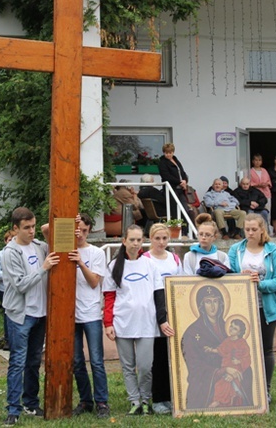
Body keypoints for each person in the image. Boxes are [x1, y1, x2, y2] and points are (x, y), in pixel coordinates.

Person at [103, 224, 174, 415]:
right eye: (131, 240)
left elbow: (159, 295)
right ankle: (134, 401)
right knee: (128, 366)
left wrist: (162, 320)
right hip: (123, 323)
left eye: (139, 240)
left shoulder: (150, 264)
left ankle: (145, 399)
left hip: (146, 324)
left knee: (145, 366)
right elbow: (109, 297)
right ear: (124, 241)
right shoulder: (114, 266)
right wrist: (108, 323)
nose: (135, 244)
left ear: (143, 241)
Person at [1, 207, 59, 426]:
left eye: (33, 226)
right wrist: (43, 268)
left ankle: (31, 403)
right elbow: (20, 285)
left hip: (40, 313)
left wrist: (47, 229)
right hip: (20, 315)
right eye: (26, 228)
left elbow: (50, 235)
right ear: (15, 229)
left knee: (34, 361)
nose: (31, 231)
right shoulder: (10, 252)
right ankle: (13, 409)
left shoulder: (40, 246)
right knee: (17, 362)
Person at [228, 213, 276, 401]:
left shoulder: (273, 250)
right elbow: (228, 276)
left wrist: (259, 283)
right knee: (242, 349)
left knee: (266, 349)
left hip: (267, 307)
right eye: (247, 229)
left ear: (263, 229)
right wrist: (240, 277)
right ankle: (243, 389)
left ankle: (265, 390)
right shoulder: (235, 249)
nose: (250, 233)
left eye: (254, 229)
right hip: (242, 305)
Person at [70, 214, 110, 419]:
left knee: (96, 361)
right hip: (71, 315)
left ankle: (102, 402)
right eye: (78, 230)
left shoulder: (96, 253)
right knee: (77, 361)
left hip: (91, 312)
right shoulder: (65, 247)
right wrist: (70, 221)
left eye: (84, 230)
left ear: (90, 231)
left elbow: (94, 282)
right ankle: (85, 400)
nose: (81, 234)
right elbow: (44, 228)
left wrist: (80, 262)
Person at [142, 223, 181, 415]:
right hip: (153, 314)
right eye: (157, 238)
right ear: (150, 238)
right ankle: (157, 398)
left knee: (171, 356)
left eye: (164, 238)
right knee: (156, 358)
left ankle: (173, 396)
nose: (161, 242)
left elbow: (181, 284)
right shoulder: (145, 259)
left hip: (172, 313)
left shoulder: (174, 258)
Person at [205, 318, 252, 408]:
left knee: (226, 384)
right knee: (219, 384)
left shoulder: (242, 343)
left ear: (239, 332)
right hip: (226, 367)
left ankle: (218, 402)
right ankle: (221, 402)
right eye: (231, 326)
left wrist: (239, 361)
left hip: (237, 369)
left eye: (235, 328)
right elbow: (220, 350)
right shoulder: (227, 341)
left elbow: (247, 358)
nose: (231, 329)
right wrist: (210, 350)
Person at [158, 142, 195, 223]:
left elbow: (182, 172)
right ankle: (177, 229)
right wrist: (179, 182)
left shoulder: (175, 160)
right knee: (174, 210)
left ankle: (185, 230)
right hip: (171, 189)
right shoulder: (162, 162)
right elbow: (166, 176)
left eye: (170, 153)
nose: (168, 155)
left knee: (185, 208)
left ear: (173, 152)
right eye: (166, 153)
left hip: (180, 189)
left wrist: (185, 181)